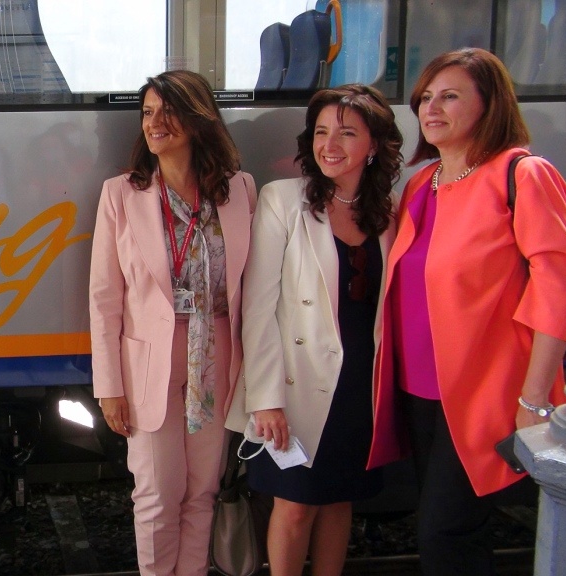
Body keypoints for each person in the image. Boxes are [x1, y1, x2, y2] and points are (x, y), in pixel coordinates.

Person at [366, 47, 566, 575]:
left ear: (490, 103)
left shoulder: (523, 174)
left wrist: (534, 400)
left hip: (485, 394)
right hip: (418, 392)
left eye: (450, 96)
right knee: (453, 533)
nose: (431, 108)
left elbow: (559, 290)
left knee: (445, 533)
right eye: (425, 98)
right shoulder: (421, 183)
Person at [225, 84, 403, 576]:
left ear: (374, 144)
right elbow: (258, 308)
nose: (330, 144)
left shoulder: (388, 209)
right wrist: (265, 398)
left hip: (360, 381)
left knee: (340, 500)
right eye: (321, 132)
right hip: (295, 382)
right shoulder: (284, 199)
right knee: (295, 505)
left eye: (347, 133)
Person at [89, 70, 256, 576]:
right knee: (157, 495)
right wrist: (109, 388)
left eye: (168, 111)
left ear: (199, 118)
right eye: (147, 112)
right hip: (147, 366)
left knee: (202, 493)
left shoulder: (239, 189)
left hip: (216, 359)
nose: (154, 122)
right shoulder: (122, 194)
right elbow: (104, 299)